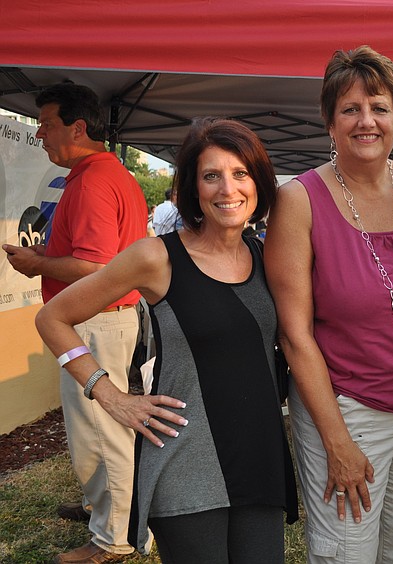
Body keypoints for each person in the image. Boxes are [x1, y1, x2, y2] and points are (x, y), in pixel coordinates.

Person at [35, 117, 297, 563]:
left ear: (259, 183)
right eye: (211, 176)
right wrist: (111, 394)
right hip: (187, 463)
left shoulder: (267, 256)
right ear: (193, 188)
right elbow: (53, 318)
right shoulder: (157, 257)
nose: (227, 189)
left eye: (241, 174)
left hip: (258, 455)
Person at [264, 46, 393, 563]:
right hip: (346, 407)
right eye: (350, 109)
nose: (366, 121)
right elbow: (294, 334)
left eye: (379, 107)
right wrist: (337, 442)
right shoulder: (298, 201)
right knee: (345, 552)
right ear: (329, 121)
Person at [2, 83, 148, 563]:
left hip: (96, 323)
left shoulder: (91, 180)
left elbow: (95, 269)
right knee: (100, 433)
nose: (40, 134)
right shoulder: (107, 174)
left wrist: (37, 264)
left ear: (77, 127)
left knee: (103, 435)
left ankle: (116, 540)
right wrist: (48, 257)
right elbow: (99, 260)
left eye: (46, 124)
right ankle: (102, 513)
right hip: (101, 321)